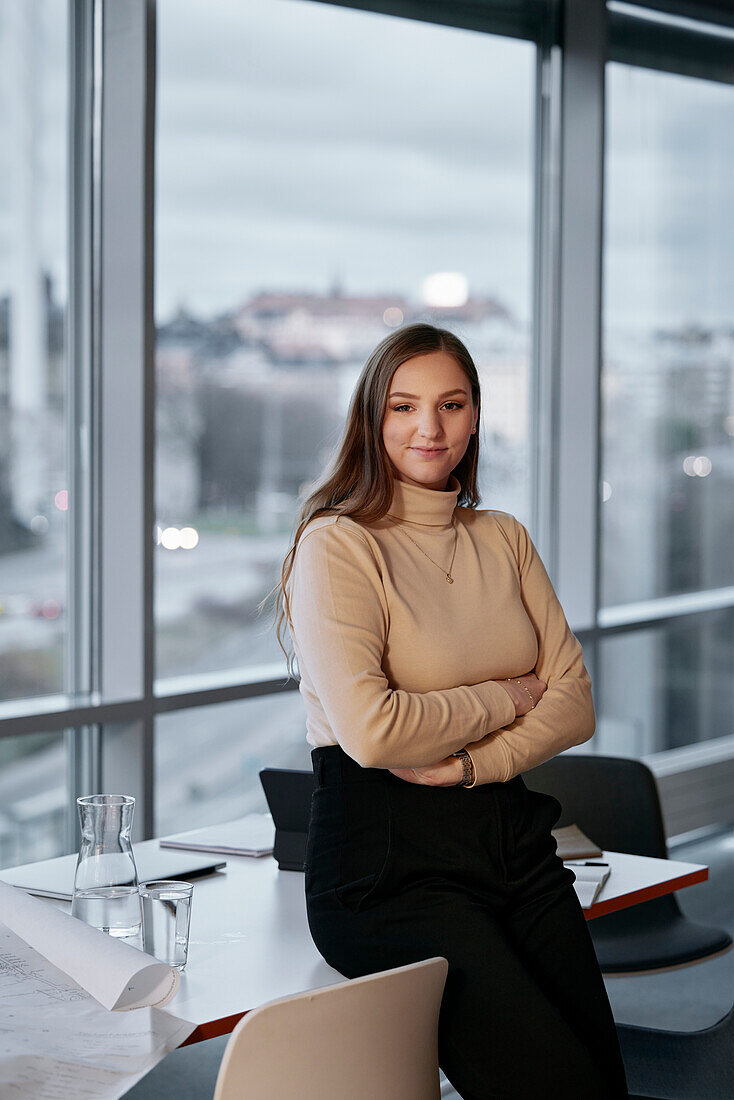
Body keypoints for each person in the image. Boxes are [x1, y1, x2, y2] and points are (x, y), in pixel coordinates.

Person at [271, 322, 629, 1098]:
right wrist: (508, 694)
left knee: (601, 1084)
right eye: (403, 406)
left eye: (450, 404)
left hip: (514, 840)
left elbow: (575, 702)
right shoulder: (337, 545)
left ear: (474, 419)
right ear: (373, 419)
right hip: (387, 866)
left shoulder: (504, 538)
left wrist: (476, 762)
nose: (428, 428)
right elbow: (374, 732)